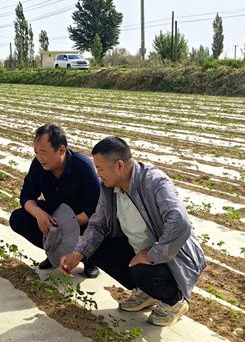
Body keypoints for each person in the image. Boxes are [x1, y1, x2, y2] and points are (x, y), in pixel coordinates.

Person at [59, 136, 206, 327]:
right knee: (95, 250)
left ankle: (174, 301)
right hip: (139, 250)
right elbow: (97, 225)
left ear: (119, 166)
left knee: (142, 271)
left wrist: (153, 255)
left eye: (100, 169)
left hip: (173, 256)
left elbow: (180, 222)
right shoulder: (109, 188)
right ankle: (147, 293)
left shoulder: (154, 182)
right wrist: (78, 254)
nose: (98, 174)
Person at [9, 124, 101, 278]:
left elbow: (96, 208)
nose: (39, 157)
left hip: (83, 217)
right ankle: (54, 254)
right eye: (36, 152)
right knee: (19, 218)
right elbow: (26, 196)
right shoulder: (38, 164)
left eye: (43, 152)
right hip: (56, 214)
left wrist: (68, 225)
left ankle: (87, 257)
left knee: (101, 228)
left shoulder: (82, 165)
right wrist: (39, 213)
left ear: (62, 150)